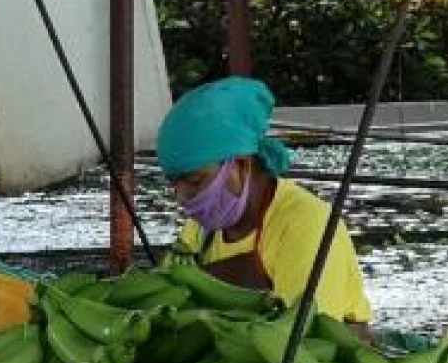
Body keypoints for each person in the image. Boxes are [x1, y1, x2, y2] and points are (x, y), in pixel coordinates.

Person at [156, 76, 373, 334]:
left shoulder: (307, 224)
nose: (182, 197)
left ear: (241, 164)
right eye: (174, 183)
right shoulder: (202, 227)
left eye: (194, 181)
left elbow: (307, 336)